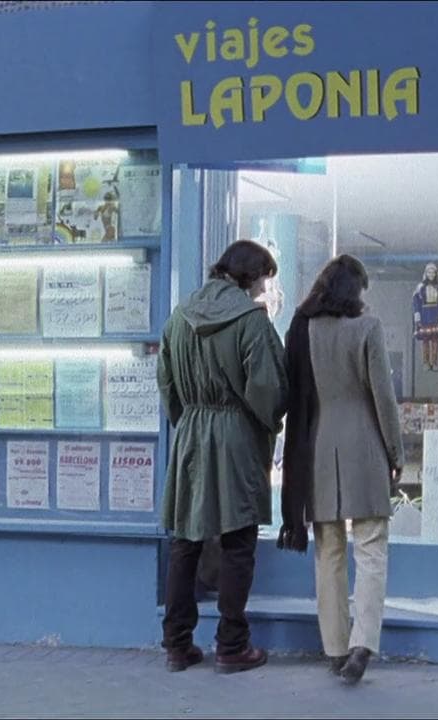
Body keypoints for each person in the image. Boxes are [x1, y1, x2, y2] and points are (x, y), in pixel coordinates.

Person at [158, 240, 288, 675]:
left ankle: (177, 644)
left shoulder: (179, 317)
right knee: (237, 543)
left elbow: (167, 386)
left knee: (185, 540)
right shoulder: (252, 322)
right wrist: (265, 423)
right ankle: (231, 645)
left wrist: (190, 420)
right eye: (263, 280)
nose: (262, 291)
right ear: (251, 276)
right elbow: (268, 390)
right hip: (236, 436)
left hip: (192, 433)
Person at [277, 255, 404, 686]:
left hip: (318, 448)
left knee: (328, 552)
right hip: (365, 447)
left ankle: (334, 648)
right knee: (370, 549)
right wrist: (396, 452)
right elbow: (383, 399)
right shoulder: (367, 329)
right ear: (355, 292)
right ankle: (362, 643)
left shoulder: (303, 329)